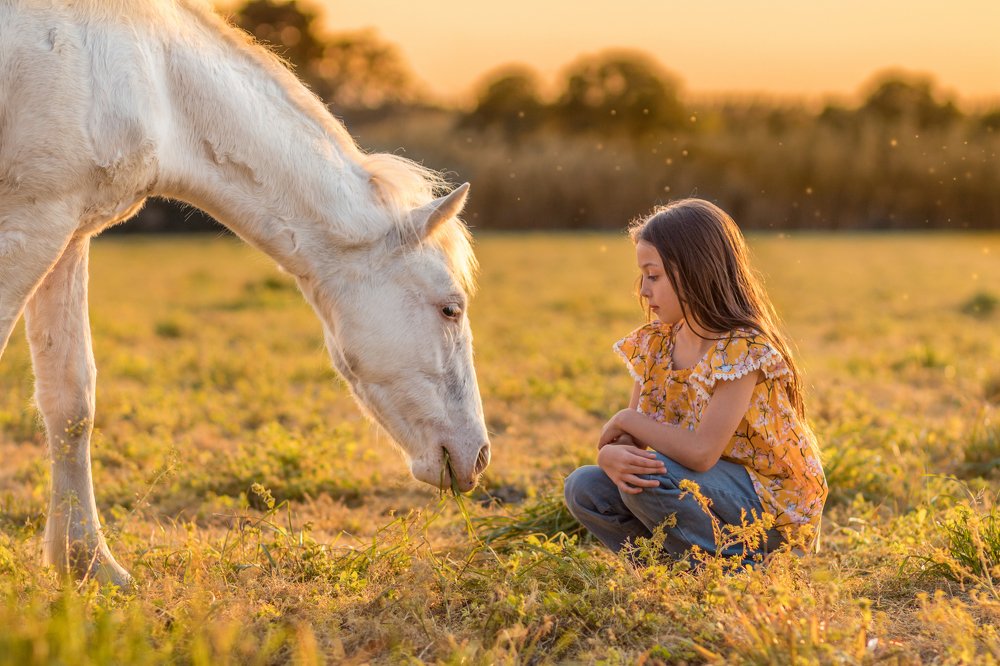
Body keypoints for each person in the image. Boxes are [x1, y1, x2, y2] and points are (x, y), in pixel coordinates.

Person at [563, 198, 827, 566]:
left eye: (653, 276)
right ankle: (674, 570)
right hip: (704, 491)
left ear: (695, 273)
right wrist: (609, 455)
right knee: (584, 486)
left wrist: (624, 420)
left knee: (653, 481)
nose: (642, 290)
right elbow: (633, 443)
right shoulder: (655, 345)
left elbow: (702, 453)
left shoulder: (742, 349)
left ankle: (741, 568)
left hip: (771, 508)